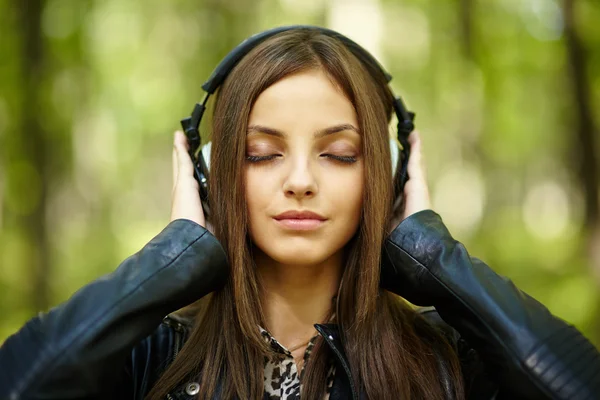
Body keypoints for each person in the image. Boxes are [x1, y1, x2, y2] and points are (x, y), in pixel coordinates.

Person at [1, 26, 599, 400]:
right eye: (262, 154)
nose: (301, 182)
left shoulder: (451, 361)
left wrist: (435, 259)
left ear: (388, 176)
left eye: (339, 154)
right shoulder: (144, 357)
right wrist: (174, 257)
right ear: (211, 175)